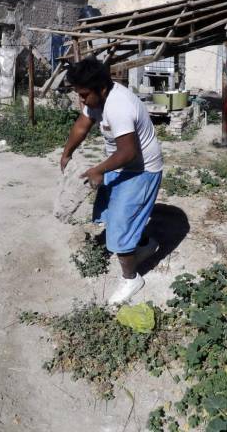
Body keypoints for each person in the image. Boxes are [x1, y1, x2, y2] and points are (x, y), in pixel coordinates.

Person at [60, 58, 163, 304]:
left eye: (84, 95)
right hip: (120, 164)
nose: (82, 101)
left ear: (101, 88)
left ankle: (131, 278)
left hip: (142, 170)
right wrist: (66, 153)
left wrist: (98, 170)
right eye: (78, 94)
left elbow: (128, 152)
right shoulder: (95, 98)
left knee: (117, 227)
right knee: (110, 212)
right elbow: (82, 126)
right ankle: (145, 244)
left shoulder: (119, 105)